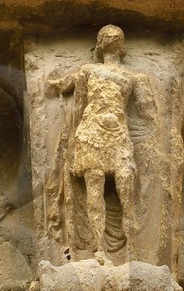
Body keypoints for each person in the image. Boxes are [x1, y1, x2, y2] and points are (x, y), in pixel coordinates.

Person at [46, 25, 157, 261]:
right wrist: (72, 144)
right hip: (91, 134)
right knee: (94, 194)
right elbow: (78, 102)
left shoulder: (135, 77)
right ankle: (99, 250)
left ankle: (132, 250)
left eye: (116, 36)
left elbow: (148, 114)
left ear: (122, 44)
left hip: (118, 136)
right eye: (107, 36)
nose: (112, 37)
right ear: (100, 44)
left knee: (126, 194)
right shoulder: (87, 70)